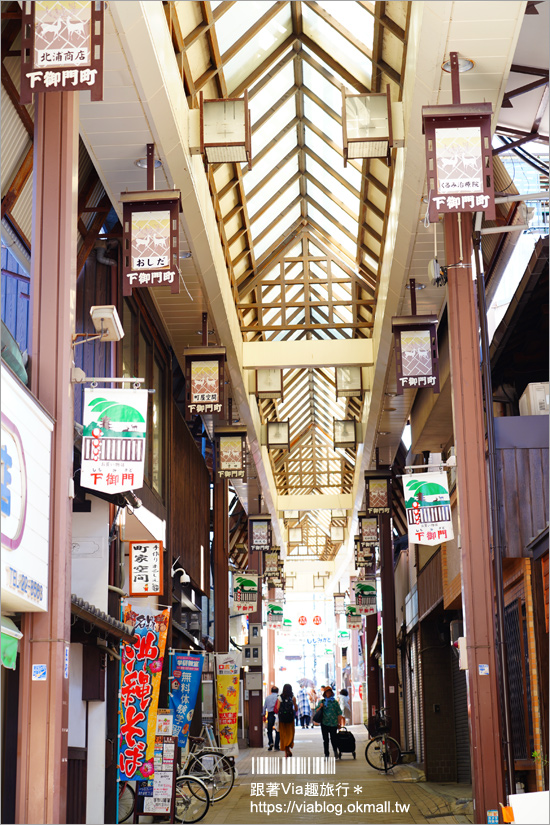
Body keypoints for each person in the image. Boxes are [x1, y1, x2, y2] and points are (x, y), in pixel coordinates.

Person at [313, 686, 342, 759]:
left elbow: (339, 713)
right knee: (325, 739)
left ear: (331, 693)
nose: (328, 693)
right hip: (324, 723)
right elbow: (316, 711)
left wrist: (339, 723)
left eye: (329, 692)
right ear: (325, 693)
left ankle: (335, 751)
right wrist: (320, 707)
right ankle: (326, 753)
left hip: (333, 723)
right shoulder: (321, 702)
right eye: (327, 692)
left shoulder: (335, 702)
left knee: (334, 739)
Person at [275, 683, 298, 758]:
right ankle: (288, 747)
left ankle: (285, 750)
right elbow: (296, 708)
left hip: (282, 719)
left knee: (283, 735)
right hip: (290, 719)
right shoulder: (293, 697)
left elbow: (278, 708)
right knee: (290, 734)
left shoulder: (280, 697)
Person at [263, 686, 280, 751]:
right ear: (277, 691)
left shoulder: (267, 698)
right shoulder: (279, 697)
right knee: (277, 730)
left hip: (270, 715)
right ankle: (276, 746)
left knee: (269, 730)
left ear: (271, 691)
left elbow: (264, 707)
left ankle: (270, 742)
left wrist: (263, 714)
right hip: (277, 715)